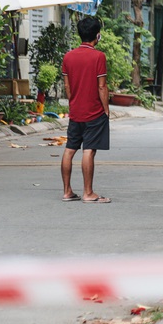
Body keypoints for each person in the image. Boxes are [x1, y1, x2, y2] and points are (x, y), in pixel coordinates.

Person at [60, 17, 111, 203]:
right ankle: (88, 193)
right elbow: (102, 87)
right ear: (97, 35)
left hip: (75, 111)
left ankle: (67, 192)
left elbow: (67, 86)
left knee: (70, 149)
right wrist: (106, 109)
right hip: (94, 111)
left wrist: (73, 102)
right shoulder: (99, 56)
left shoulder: (68, 56)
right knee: (88, 150)